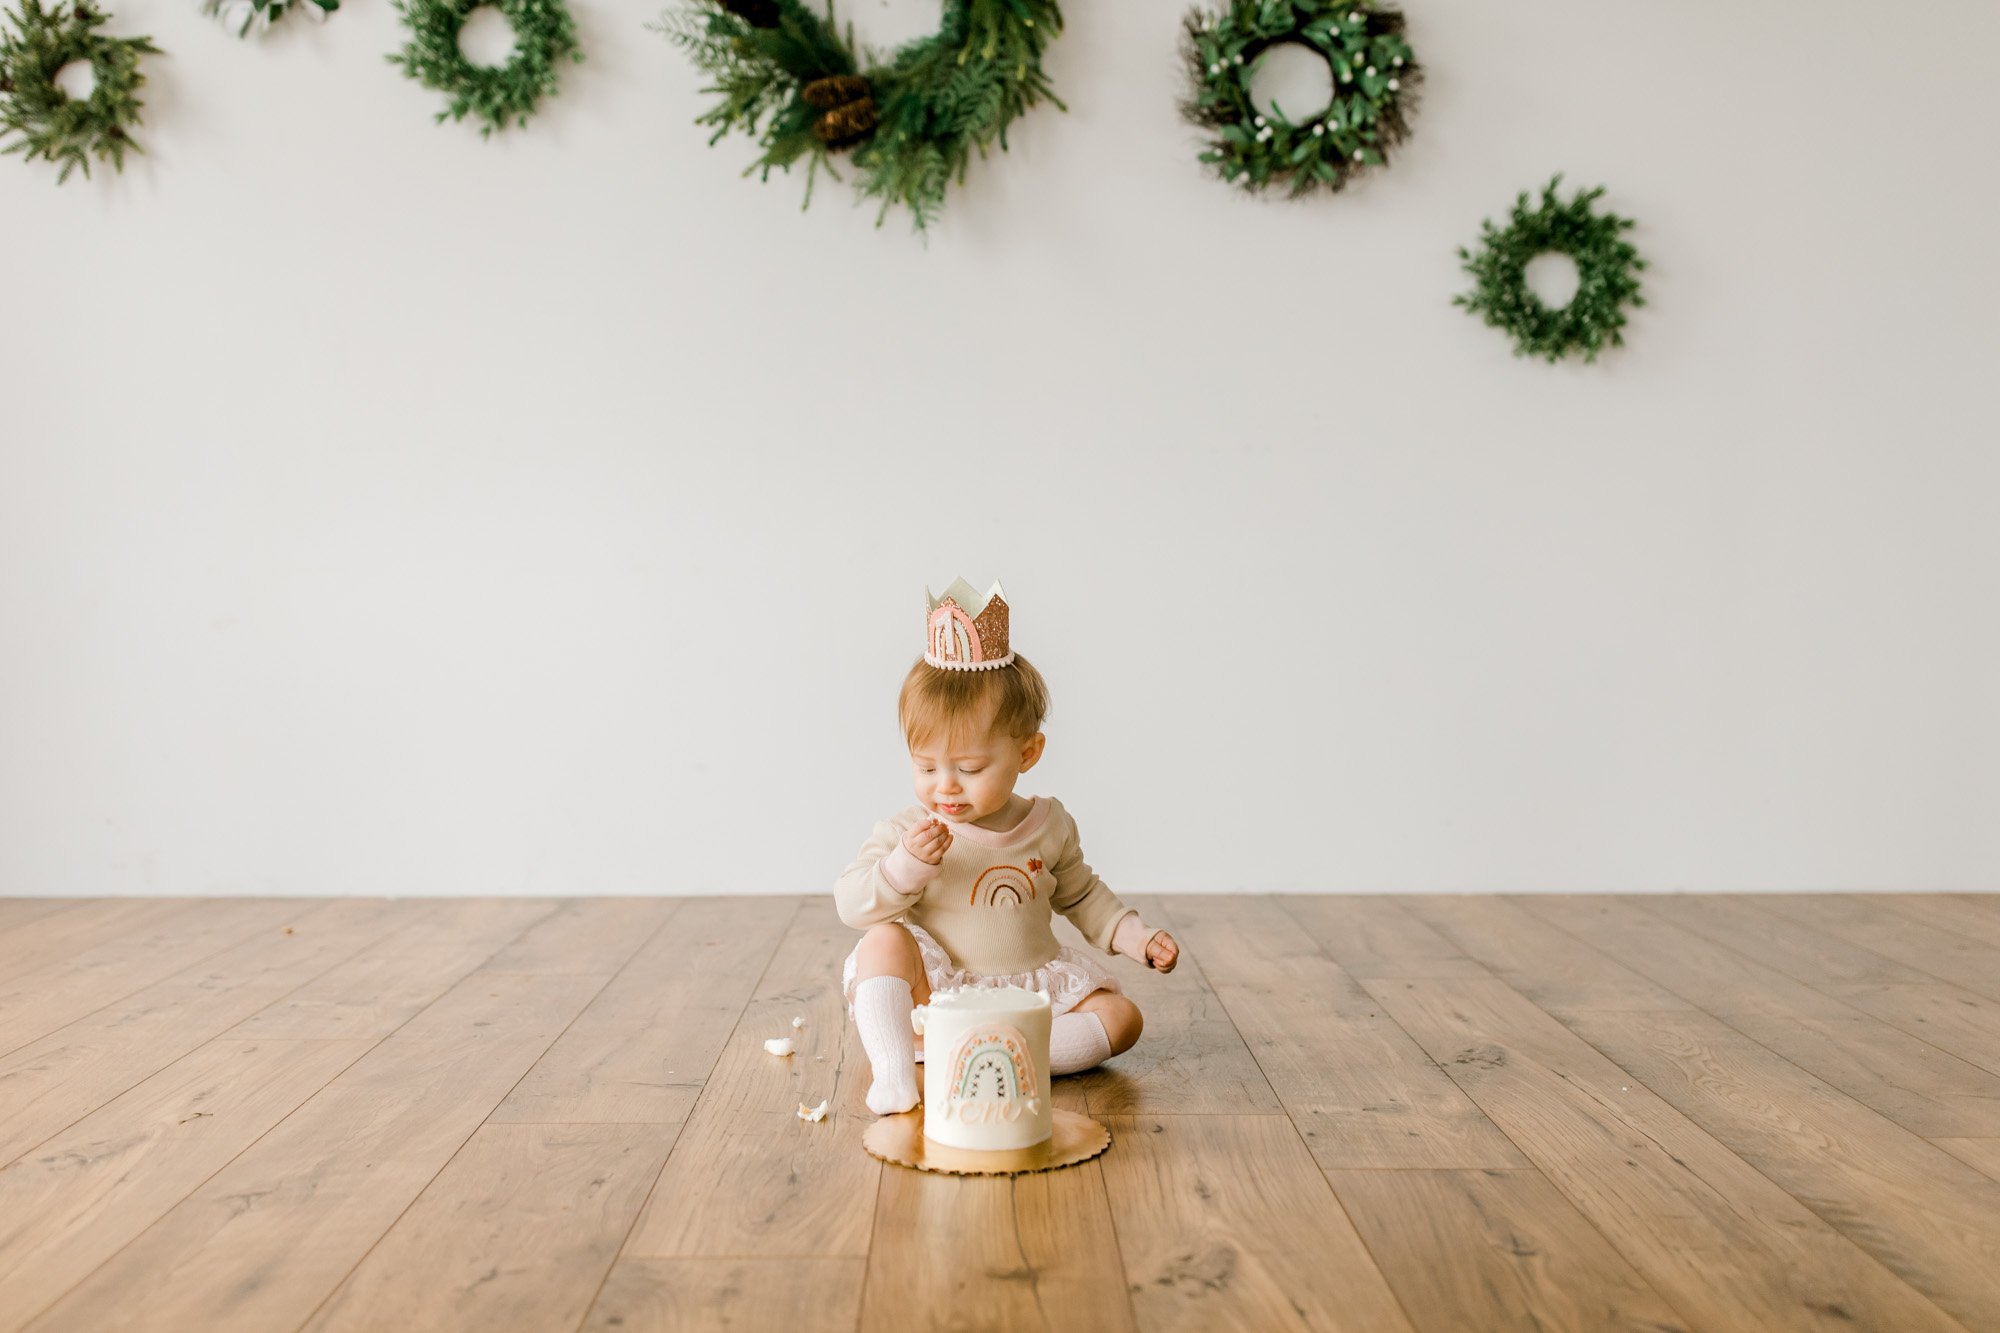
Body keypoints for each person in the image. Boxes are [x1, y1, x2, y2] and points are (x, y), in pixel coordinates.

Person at [835, 578, 1179, 1116]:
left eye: (969, 769)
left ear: (1028, 753)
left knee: (1123, 1018)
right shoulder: (909, 832)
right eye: (925, 766)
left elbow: (1084, 896)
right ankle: (897, 1070)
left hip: (1028, 992)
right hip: (939, 996)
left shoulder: (1049, 824)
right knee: (883, 940)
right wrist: (904, 869)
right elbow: (851, 903)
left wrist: (1137, 936)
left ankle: (1002, 1057)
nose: (944, 785)